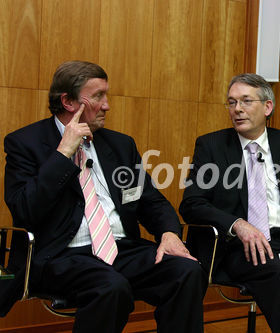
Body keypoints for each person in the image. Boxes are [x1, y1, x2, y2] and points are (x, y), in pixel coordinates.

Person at [1, 61, 206, 332]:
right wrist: (63, 154)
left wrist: (169, 233)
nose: (107, 105)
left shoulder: (120, 144)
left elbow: (151, 200)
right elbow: (25, 209)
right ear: (68, 101)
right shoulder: (24, 143)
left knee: (187, 271)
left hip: (120, 249)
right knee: (110, 287)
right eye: (98, 96)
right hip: (62, 255)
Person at [180, 73, 280, 333]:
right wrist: (237, 225)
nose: (237, 109)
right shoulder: (211, 146)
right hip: (239, 246)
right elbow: (192, 204)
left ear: (268, 107)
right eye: (232, 102)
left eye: (246, 101)